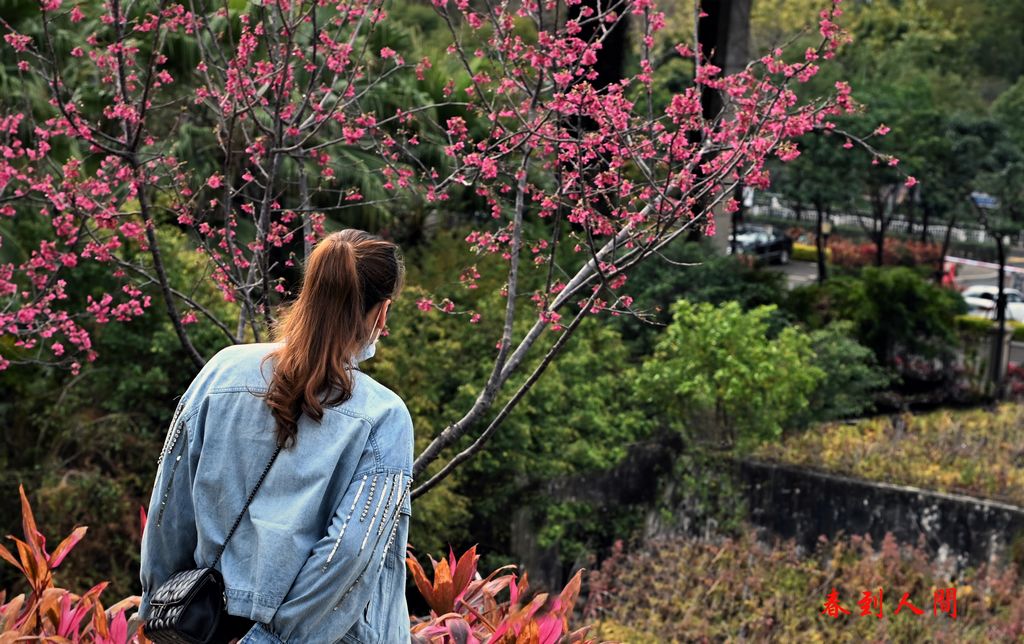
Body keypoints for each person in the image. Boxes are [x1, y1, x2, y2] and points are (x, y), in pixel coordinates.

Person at [138, 229, 414, 644]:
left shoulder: (220, 373)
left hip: (207, 624)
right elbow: (348, 554)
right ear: (381, 314)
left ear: (310, 291)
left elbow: (169, 506)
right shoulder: (383, 416)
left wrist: (159, 608)